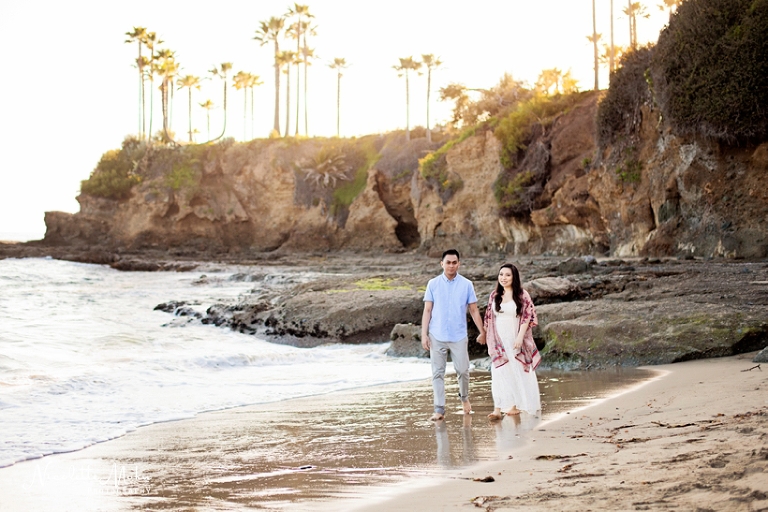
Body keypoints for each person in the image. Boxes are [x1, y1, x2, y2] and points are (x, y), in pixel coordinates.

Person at [421, 249, 486, 421]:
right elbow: (427, 310)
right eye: (448, 262)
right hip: (437, 334)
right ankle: (439, 409)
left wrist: (482, 331)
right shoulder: (433, 284)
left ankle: (464, 398)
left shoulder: (467, 284)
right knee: (437, 373)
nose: (451, 265)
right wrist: (424, 334)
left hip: (458, 335)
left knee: (463, 370)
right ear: (441, 264)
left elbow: (473, 310)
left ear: (459, 264)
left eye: (454, 262)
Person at [483, 263, 541, 420]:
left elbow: (527, 317)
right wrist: (487, 337)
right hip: (498, 341)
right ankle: (497, 408)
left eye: (507, 275)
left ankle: (515, 406)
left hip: (515, 339)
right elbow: (489, 318)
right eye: (501, 274)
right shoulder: (494, 296)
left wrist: (520, 337)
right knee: (499, 372)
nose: (503, 278)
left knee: (517, 370)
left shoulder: (522, 295)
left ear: (514, 277)